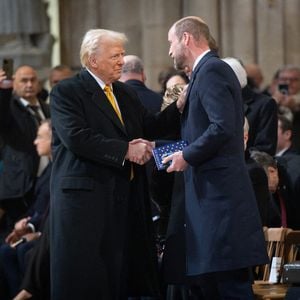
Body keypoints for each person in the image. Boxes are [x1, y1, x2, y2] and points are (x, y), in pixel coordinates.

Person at [49, 29, 181, 299]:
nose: (122, 61)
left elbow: (150, 125)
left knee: (118, 279)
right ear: (93, 60)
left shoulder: (124, 93)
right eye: (115, 56)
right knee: (87, 281)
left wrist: (180, 106)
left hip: (123, 201)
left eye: (122, 55)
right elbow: (77, 138)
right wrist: (125, 150)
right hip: (85, 204)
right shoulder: (67, 91)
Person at [163, 16, 268, 299]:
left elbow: (222, 126)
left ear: (186, 38)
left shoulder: (212, 70)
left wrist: (187, 155)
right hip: (210, 201)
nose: (170, 50)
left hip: (220, 203)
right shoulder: (202, 74)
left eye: (171, 42)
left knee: (228, 287)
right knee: (209, 286)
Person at [0, 120, 52, 299]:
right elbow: (38, 207)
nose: (35, 142)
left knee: (23, 251)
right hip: (36, 227)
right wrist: (25, 224)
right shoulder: (47, 171)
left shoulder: (57, 172)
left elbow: (49, 212)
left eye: (39, 137)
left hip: (47, 233)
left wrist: (33, 230)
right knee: (6, 251)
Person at [0, 66, 50, 241]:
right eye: (23, 80)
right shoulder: (9, 107)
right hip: (19, 188)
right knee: (14, 239)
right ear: (13, 83)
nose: (29, 84)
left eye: (33, 80)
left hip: (45, 181)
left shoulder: (47, 107)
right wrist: (3, 90)